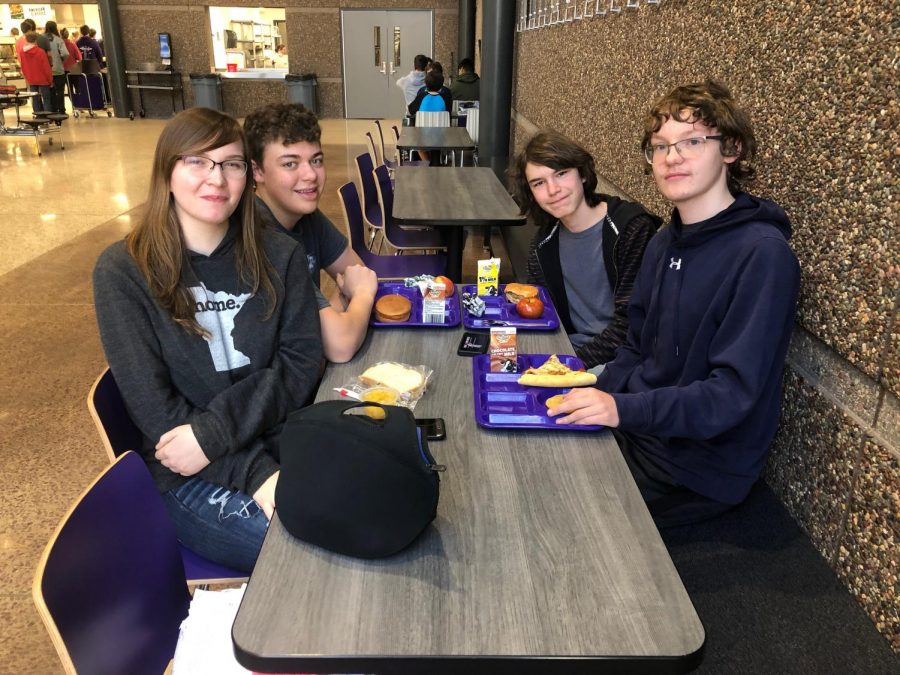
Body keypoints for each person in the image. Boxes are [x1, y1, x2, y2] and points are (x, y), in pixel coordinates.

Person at [549, 80, 800, 528]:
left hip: (697, 467)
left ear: (732, 149)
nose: (672, 157)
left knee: (555, 512)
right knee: (528, 453)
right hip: (642, 430)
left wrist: (621, 409)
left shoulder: (763, 254)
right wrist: (597, 396)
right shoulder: (664, 241)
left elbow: (732, 395)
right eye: (660, 146)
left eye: (693, 141)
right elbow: (633, 349)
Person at [92, 108, 324, 572]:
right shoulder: (123, 271)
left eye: (231, 163)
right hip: (194, 471)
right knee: (314, 557)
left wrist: (218, 433)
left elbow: (300, 364)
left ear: (248, 177)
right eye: (197, 161)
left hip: (284, 443)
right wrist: (254, 474)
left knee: (370, 517)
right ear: (168, 173)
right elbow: (156, 411)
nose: (215, 179)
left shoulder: (281, 255)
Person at [510, 130, 660, 371]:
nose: (553, 190)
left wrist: (567, 367)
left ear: (582, 174)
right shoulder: (543, 243)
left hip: (624, 360)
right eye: (539, 183)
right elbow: (541, 309)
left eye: (561, 174)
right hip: (566, 349)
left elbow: (633, 323)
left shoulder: (630, 229)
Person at [244, 102, 378, 364]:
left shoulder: (307, 216)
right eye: (290, 164)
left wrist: (335, 313)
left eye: (316, 160)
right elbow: (341, 346)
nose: (310, 175)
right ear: (257, 171)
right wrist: (360, 296)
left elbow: (358, 272)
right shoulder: (260, 237)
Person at [19, 32, 52, 113]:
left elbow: (23, 66)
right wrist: (50, 80)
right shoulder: (40, 52)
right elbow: (46, 67)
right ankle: (47, 117)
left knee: (35, 98)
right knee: (46, 98)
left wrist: (27, 77)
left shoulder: (22, 52)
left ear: (26, 40)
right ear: (36, 40)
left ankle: (37, 115)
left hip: (31, 79)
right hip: (43, 79)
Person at [44, 21, 69, 113]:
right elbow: (66, 53)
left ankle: (53, 110)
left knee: (50, 92)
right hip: (58, 70)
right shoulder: (58, 40)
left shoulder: (41, 39)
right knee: (60, 91)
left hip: (46, 71)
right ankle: (61, 110)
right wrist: (61, 60)